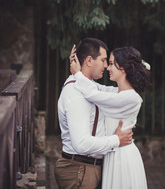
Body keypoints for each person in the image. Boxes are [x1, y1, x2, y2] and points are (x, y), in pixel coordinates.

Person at [54, 38, 133, 189]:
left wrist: (128, 71)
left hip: (86, 169)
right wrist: (116, 140)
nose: (106, 65)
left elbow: (119, 93)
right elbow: (82, 144)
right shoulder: (76, 93)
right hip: (79, 170)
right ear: (89, 60)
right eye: (104, 60)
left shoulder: (88, 87)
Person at [70, 45, 151, 189]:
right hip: (112, 154)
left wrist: (77, 74)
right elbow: (94, 88)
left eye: (112, 63)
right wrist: (80, 68)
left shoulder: (132, 98)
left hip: (123, 157)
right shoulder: (115, 93)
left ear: (125, 67)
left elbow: (93, 94)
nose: (108, 67)